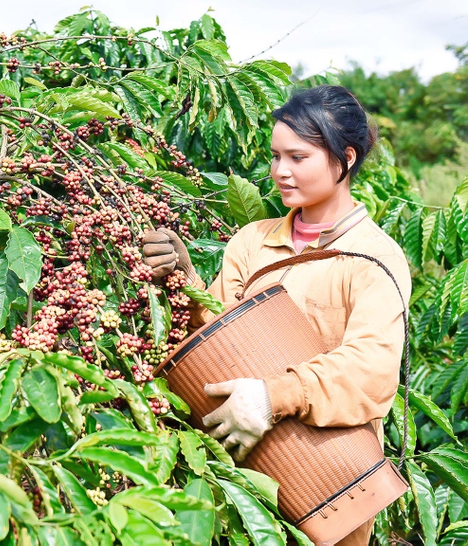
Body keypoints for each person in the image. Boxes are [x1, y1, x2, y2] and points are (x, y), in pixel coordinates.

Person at [142, 85, 411, 545]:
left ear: (345, 158)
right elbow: (216, 342)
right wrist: (183, 282)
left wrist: (275, 396)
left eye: (298, 158)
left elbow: (372, 368)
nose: (280, 172)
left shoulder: (373, 257)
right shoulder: (252, 241)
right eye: (275, 156)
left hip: (327, 479)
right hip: (244, 475)